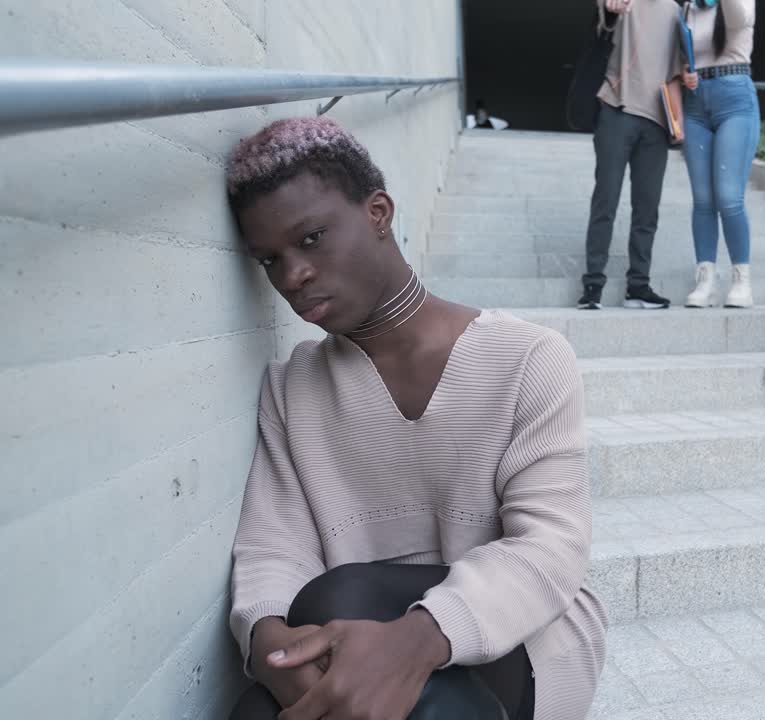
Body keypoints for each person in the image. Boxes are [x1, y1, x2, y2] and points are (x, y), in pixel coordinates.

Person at [222, 116, 607, 720]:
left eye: (312, 239)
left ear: (378, 213)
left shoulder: (527, 358)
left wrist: (413, 643)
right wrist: (270, 644)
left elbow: (550, 547)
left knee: (342, 593)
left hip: (524, 639)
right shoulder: (292, 386)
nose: (292, 276)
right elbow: (274, 545)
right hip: (354, 640)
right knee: (256, 710)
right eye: (270, 260)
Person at [578, 0, 683, 310]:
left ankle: (638, 285)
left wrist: (678, 120)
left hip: (657, 119)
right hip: (616, 109)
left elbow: (676, 73)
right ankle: (593, 284)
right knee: (606, 198)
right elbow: (606, 17)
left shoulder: (676, 11)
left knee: (647, 208)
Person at [678, 0, 760, 309]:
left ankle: (741, 280)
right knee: (702, 199)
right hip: (696, 102)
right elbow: (686, 51)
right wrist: (684, 72)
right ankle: (706, 279)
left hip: (735, 97)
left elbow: (739, 19)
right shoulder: (689, 6)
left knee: (729, 197)